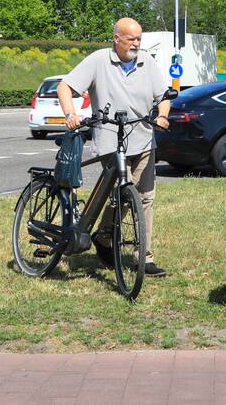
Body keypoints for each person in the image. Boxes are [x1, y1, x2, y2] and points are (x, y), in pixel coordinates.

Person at [57, 17, 171, 277]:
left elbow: (163, 96)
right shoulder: (99, 60)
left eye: (139, 39)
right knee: (123, 195)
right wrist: (70, 114)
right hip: (110, 140)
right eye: (131, 39)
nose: (136, 43)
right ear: (116, 38)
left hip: (142, 137)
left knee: (145, 198)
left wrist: (162, 115)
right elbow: (65, 87)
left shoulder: (147, 61)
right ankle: (105, 236)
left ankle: (143, 255)